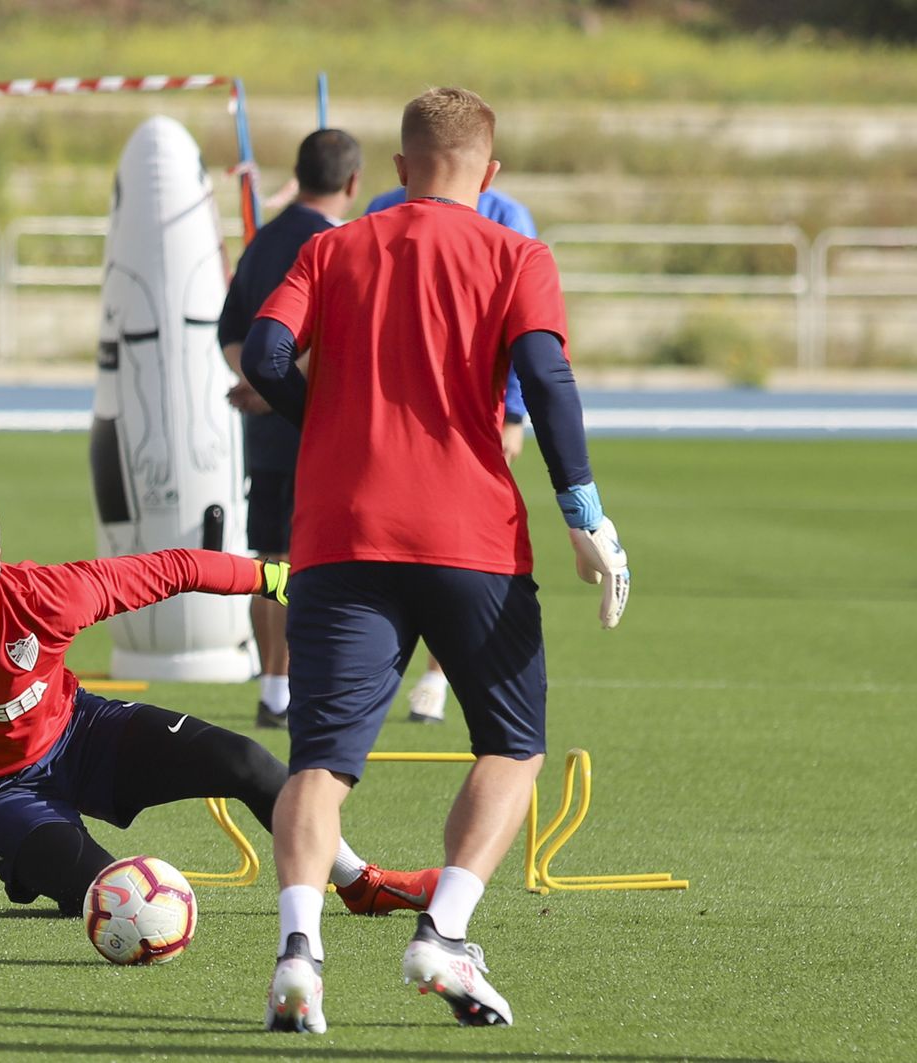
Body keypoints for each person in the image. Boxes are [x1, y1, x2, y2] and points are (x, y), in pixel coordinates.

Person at [241, 87, 630, 1033]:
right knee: (512, 744)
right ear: (490, 176)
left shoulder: (329, 248)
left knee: (321, 763)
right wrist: (586, 515)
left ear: (399, 170)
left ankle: (300, 952)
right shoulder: (516, 252)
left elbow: (261, 352)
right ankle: (444, 931)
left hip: (339, 538)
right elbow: (548, 377)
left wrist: (323, 422)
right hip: (472, 540)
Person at [0, 493, 440, 922]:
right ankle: (35, 865)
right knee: (116, 898)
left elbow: (175, 568)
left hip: (79, 734)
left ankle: (358, 882)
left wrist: (276, 580)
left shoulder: (50, 596)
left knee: (246, 760)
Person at [365, 183, 537, 725]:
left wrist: (512, 412)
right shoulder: (381, 210)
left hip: (472, 416)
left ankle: (437, 676)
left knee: (457, 542)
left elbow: (524, 323)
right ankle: (372, 670)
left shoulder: (508, 216)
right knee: (384, 541)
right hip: (393, 414)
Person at [219, 130, 363, 731]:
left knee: (268, 556)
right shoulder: (344, 247)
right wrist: (287, 386)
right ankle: (302, 686)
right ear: (353, 184)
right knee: (312, 560)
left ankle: (274, 686)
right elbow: (344, 340)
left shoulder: (263, 242)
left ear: (299, 174)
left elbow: (232, 334)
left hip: (266, 427)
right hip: (319, 427)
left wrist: (257, 385)